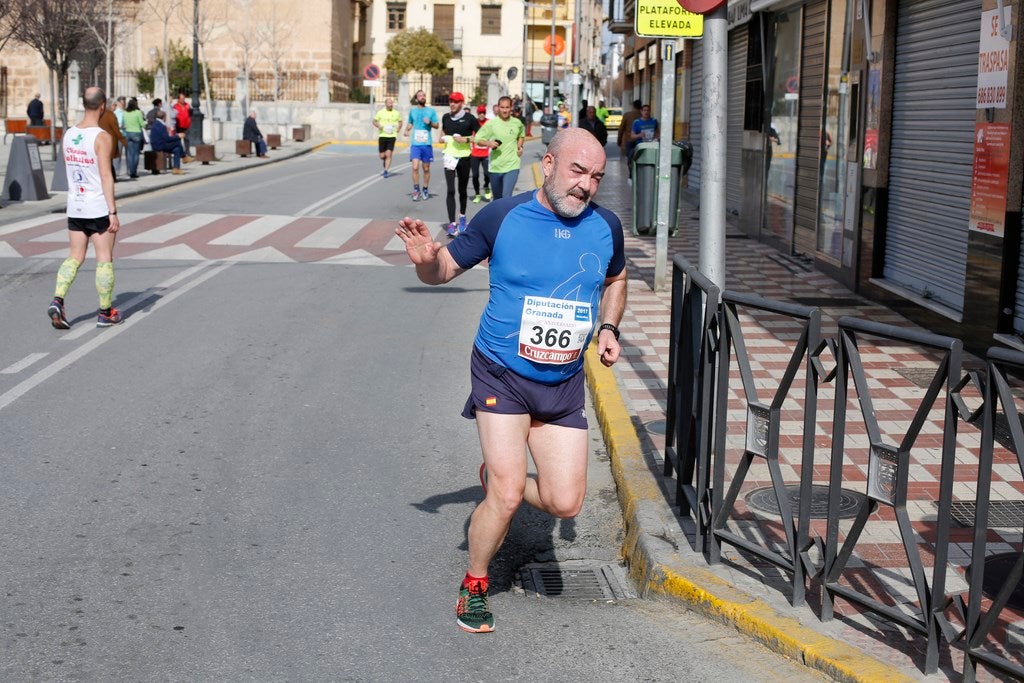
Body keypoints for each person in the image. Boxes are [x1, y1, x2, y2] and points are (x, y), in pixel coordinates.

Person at [394, 127, 627, 634]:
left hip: (563, 380)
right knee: (506, 493)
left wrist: (609, 325)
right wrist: (426, 263)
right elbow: (444, 270)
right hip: (502, 370)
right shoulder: (502, 217)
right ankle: (475, 584)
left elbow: (615, 277)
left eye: (596, 176)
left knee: (567, 502)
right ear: (547, 164)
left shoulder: (606, 226)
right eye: (576, 171)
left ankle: (500, 479)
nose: (586, 185)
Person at [47, 86, 122, 330]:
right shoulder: (102, 136)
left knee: (75, 256)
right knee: (104, 259)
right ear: (102, 106)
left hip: (75, 206)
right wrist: (112, 211)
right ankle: (105, 312)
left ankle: (58, 300)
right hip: (97, 206)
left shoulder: (68, 134)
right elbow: (105, 175)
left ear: (83, 104)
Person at [439, 91, 480, 237]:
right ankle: (452, 223)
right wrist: (442, 138)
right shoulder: (445, 117)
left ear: (461, 103)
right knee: (450, 190)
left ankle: (462, 217)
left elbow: (480, 136)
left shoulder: (470, 119)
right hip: (449, 157)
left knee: (462, 190)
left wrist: (466, 140)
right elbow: (443, 132)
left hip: (464, 158)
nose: (452, 104)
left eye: (455, 101)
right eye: (451, 101)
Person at [473, 95, 526, 200]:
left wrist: (519, 146)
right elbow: (477, 139)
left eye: (507, 107)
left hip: (512, 165)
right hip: (496, 167)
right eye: (502, 107)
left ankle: (506, 216)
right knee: (497, 199)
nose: (505, 110)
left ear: (511, 108)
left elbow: (521, 135)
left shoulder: (517, 123)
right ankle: (498, 216)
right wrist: (489, 144)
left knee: (506, 197)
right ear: (498, 107)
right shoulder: (492, 124)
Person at [403, 89, 439, 201]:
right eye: (420, 95)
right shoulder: (413, 111)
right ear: (416, 98)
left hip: (426, 143)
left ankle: (425, 189)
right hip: (415, 144)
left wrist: (430, 123)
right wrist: (407, 130)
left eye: (424, 95)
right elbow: (410, 123)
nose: (422, 97)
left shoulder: (431, 111)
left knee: (426, 168)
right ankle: (416, 189)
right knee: (414, 167)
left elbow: (437, 125)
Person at [148, 110, 185, 174]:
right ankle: (184, 157)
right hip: (160, 146)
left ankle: (176, 168)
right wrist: (178, 136)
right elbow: (167, 139)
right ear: (164, 117)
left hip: (155, 144)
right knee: (178, 142)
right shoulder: (161, 126)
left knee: (177, 149)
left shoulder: (155, 124)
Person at [372, 97, 402, 177]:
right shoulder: (380, 112)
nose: (390, 104)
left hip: (392, 136)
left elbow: (400, 122)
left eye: (391, 103)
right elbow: (374, 121)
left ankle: (386, 171)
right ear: (385, 104)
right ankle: (384, 160)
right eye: (388, 103)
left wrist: (399, 128)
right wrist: (379, 126)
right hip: (382, 135)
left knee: (389, 154)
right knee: (382, 156)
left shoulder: (396, 113)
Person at [99, 98, 127, 182]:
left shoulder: (100, 114)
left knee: (105, 160)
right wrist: (123, 139)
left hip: (101, 139)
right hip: (110, 140)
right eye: (115, 105)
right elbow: (116, 129)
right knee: (109, 160)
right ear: (111, 106)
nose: (116, 107)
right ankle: (111, 178)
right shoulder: (111, 115)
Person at [469, 104, 491, 204]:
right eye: (480, 113)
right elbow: (469, 135)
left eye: (483, 113)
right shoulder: (474, 123)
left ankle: (486, 186)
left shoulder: (489, 123)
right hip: (475, 154)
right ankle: (477, 194)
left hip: (486, 153)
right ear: (477, 113)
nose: (481, 114)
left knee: (487, 174)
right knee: (475, 175)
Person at [122, 97, 146, 179]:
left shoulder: (125, 113)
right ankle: (133, 171)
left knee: (129, 154)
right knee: (136, 154)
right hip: (136, 133)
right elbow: (142, 124)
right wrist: (146, 122)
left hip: (127, 133)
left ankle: (129, 170)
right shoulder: (138, 112)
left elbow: (123, 123)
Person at [617, 99, 643, 163]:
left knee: (630, 157)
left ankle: (631, 170)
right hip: (641, 140)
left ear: (633, 106)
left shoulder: (627, 115)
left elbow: (621, 129)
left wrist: (619, 141)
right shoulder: (643, 115)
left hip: (629, 140)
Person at [172, 91, 193, 161]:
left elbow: (190, 113)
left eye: (184, 98)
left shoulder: (187, 105)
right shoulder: (175, 106)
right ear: (178, 99)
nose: (183, 100)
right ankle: (181, 153)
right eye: (182, 98)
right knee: (178, 140)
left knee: (187, 139)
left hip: (186, 125)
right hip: (179, 125)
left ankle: (188, 152)